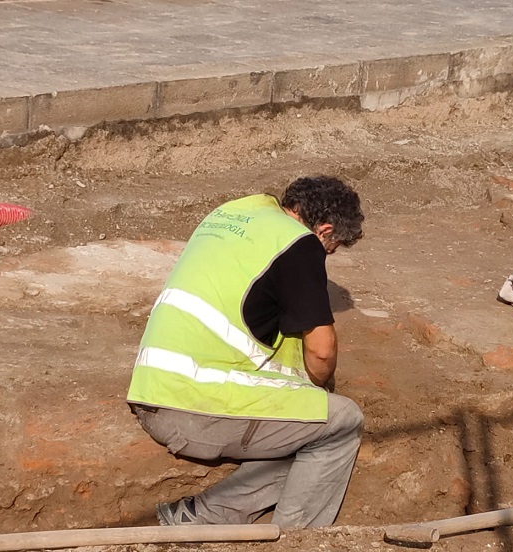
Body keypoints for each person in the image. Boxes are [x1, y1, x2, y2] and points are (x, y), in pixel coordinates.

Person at [127, 176, 366, 530]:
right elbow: (320, 352)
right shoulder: (299, 244)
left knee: (306, 428)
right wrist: (319, 384)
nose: (326, 256)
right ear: (324, 229)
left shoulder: (236, 212)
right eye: (332, 247)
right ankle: (300, 540)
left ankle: (205, 514)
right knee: (341, 420)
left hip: (154, 387)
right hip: (190, 407)